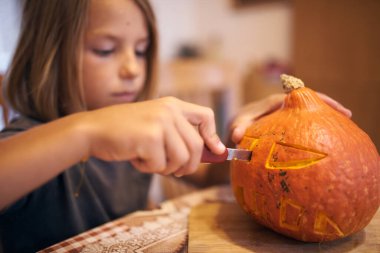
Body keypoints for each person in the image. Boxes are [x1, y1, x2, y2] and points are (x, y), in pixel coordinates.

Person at [0, 0, 351, 252]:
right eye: (105, 50)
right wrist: (87, 132)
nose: (132, 69)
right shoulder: (28, 140)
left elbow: (210, 176)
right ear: (47, 54)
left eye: (141, 50)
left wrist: (249, 137)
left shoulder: (139, 136)